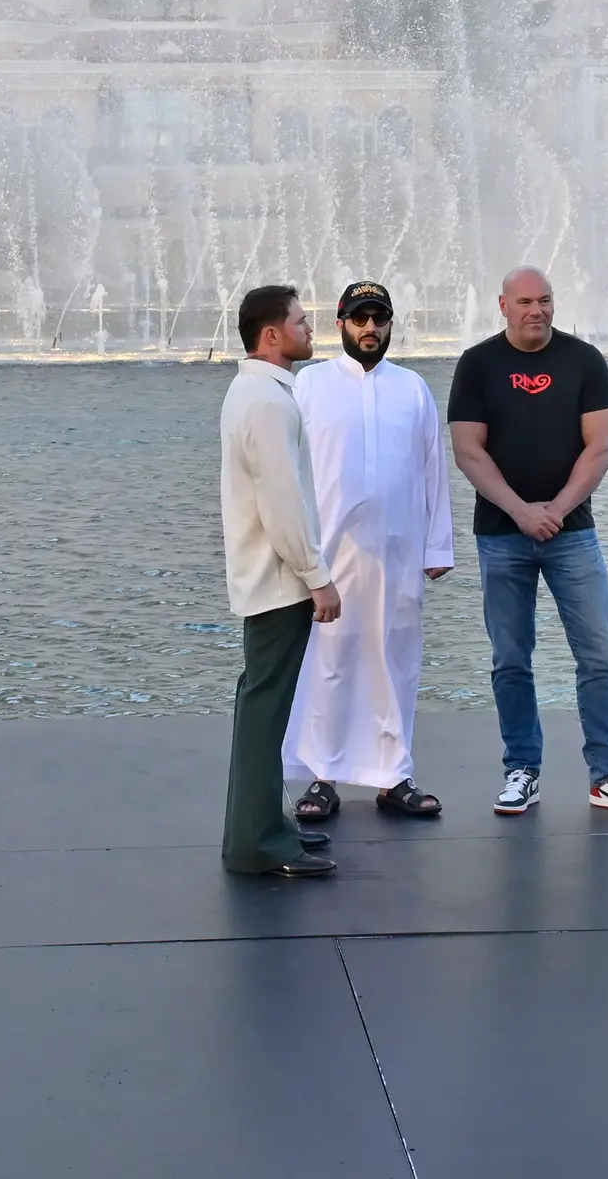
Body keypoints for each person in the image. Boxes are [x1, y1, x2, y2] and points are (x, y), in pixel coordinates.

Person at [446, 265, 608, 818]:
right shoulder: (478, 364)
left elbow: (602, 447)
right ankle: (522, 771)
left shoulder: (583, 360)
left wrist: (557, 511)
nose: (535, 310)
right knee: (511, 659)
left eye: (544, 300)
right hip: (501, 535)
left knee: (598, 657)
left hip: (573, 535)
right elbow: (469, 450)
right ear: (502, 305)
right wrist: (520, 511)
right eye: (524, 302)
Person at [287, 282, 454, 825]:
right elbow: (290, 471)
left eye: (379, 319)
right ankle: (321, 776)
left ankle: (393, 777)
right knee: (328, 661)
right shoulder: (310, 384)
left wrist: (437, 545)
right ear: (341, 324)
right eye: (360, 319)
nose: (370, 329)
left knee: (395, 660)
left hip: (399, 552)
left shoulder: (412, 388)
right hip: (329, 554)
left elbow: (433, 470)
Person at [217, 283, 342, 879]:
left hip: (269, 577)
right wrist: (317, 577)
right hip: (278, 582)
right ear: (272, 334)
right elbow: (283, 505)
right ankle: (257, 843)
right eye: (300, 320)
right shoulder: (267, 402)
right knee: (265, 711)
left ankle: (264, 827)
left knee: (261, 706)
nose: (309, 327)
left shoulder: (256, 392)